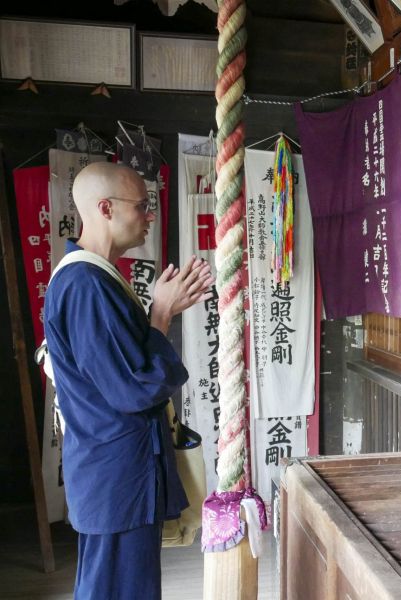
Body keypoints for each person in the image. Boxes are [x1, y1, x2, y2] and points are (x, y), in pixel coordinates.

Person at [44, 162, 214, 599]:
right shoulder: (85, 284)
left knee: (119, 587)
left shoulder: (95, 278)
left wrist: (165, 311)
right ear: (105, 208)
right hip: (116, 476)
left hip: (115, 473)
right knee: (117, 591)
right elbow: (133, 389)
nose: (149, 216)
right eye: (142, 206)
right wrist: (160, 314)